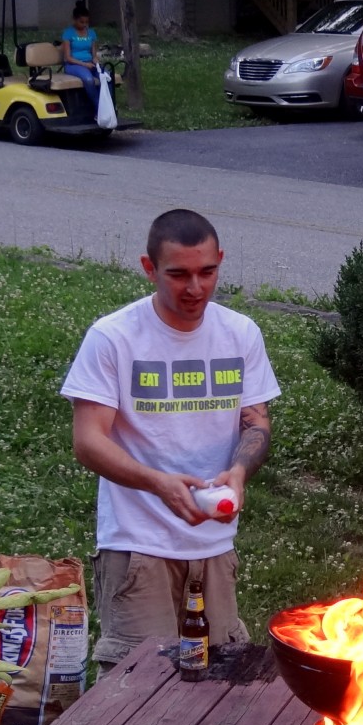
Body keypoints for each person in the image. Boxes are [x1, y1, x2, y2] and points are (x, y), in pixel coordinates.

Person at [62, 209, 280, 674]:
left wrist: (239, 472)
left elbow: (257, 423)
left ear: (220, 261)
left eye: (207, 272)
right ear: (149, 268)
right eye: (178, 274)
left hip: (215, 545)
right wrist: (158, 483)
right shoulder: (114, 337)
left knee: (222, 682)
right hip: (138, 546)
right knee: (137, 687)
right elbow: (88, 441)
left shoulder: (240, 333)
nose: (195, 288)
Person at [61, 0, 102, 106]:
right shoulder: (68, 33)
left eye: (86, 22)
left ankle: (109, 104)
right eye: (81, 22)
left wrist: (95, 60)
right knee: (88, 80)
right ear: (74, 20)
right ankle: (98, 106)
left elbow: (93, 54)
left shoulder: (91, 33)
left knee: (106, 76)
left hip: (90, 63)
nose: (84, 25)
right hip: (73, 64)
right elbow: (68, 57)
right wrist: (84, 64)